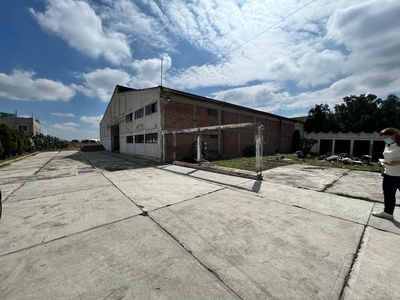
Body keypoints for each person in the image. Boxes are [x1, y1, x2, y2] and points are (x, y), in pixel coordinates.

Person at [372, 127, 400, 220]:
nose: (385, 140)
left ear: (394, 135)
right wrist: (383, 168)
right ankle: (388, 212)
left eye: (386, 137)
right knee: (388, 194)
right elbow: (385, 158)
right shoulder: (388, 145)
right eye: (383, 138)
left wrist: (396, 163)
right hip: (389, 174)